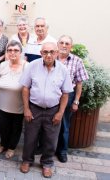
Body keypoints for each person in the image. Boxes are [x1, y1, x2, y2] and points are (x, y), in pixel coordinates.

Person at [19, 42, 72, 178]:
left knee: (51, 139)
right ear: (41, 53)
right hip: (34, 108)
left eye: (52, 52)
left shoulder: (63, 70)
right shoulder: (32, 66)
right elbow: (25, 88)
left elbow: (65, 93)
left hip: (53, 110)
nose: (48, 55)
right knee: (30, 137)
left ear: (57, 53)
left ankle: (47, 163)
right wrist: (26, 109)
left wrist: (60, 113)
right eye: (45, 52)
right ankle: (27, 160)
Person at [55, 35, 89, 163]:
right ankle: (45, 147)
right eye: (62, 43)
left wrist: (76, 101)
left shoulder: (77, 61)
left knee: (64, 125)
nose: (64, 45)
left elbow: (79, 84)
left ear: (71, 47)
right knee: (48, 123)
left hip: (67, 96)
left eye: (67, 43)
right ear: (57, 44)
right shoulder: (51, 57)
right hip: (51, 95)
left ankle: (62, 151)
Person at [0, 41, 27, 159]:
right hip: (3, 104)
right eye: (10, 50)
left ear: (21, 52)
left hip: (19, 106)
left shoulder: (26, 66)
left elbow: (29, 87)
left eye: (16, 50)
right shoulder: (3, 65)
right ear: (6, 52)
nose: (12, 53)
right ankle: (3, 145)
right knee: (3, 127)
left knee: (16, 128)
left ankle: (12, 147)